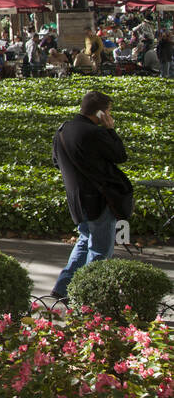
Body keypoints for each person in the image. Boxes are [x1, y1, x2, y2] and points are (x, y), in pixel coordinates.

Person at [49, 91, 132, 301]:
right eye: (109, 111)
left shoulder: (62, 130)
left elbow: (56, 161)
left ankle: (63, 287)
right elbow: (120, 155)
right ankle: (87, 295)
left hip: (77, 201)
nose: (110, 115)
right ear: (100, 113)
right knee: (100, 250)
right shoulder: (95, 133)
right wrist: (111, 130)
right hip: (99, 200)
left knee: (85, 240)